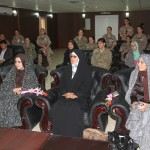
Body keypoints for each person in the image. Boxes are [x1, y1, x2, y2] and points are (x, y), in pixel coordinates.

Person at [51, 49, 92, 138]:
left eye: (74, 56)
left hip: (81, 97)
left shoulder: (86, 70)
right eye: (71, 56)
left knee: (73, 109)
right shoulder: (67, 69)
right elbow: (62, 84)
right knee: (58, 106)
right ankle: (59, 134)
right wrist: (66, 93)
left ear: (79, 58)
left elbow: (87, 86)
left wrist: (75, 95)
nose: (72, 58)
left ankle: (74, 135)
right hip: (66, 96)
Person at [0, 54, 38, 127]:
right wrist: (11, 90)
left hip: (21, 93)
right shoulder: (13, 70)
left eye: (19, 62)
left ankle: (10, 124)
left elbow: (33, 85)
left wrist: (20, 89)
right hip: (11, 90)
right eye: (15, 62)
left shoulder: (29, 72)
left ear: (24, 62)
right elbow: (6, 83)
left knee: (9, 101)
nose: (16, 64)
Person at [125, 54, 150, 150]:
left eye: (142, 62)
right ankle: (139, 143)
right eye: (138, 62)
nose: (138, 64)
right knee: (138, 112)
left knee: (147, 115)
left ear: (148, 64)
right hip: (139, 103)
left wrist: (148, 105)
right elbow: (132, 92)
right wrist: (134, 102)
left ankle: (144, 145)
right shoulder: (134, 74)